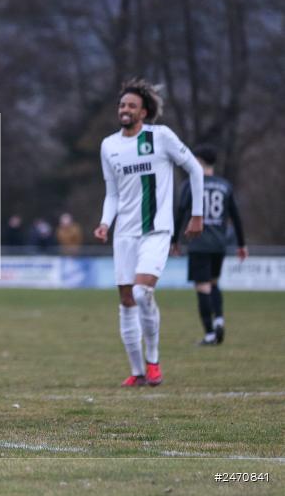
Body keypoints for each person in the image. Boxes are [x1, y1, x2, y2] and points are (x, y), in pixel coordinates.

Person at [93, 79, 204, 387]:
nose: (125, 110)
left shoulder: (161, 137)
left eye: (131, 105)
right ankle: (137, 371)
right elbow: (112, 193)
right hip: (124, 234)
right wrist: (105, 222)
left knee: (142, 293)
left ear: (144, 112)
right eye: (122, 105)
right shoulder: (109, 145)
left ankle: (153, 362)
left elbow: (194, 168)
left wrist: (197, 215)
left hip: (156, 230)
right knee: (126, 299)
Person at [171, 145, 247, 346]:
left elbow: (180, 212)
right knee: (213, 283)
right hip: (219, 245)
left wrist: (174, 240)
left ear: (198, 161)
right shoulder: (225, 185)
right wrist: (242, 244)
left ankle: (210, 334)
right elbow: (236, 217)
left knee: (202, 286)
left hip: (199, 243)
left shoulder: (191, 184)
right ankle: (219, 319)